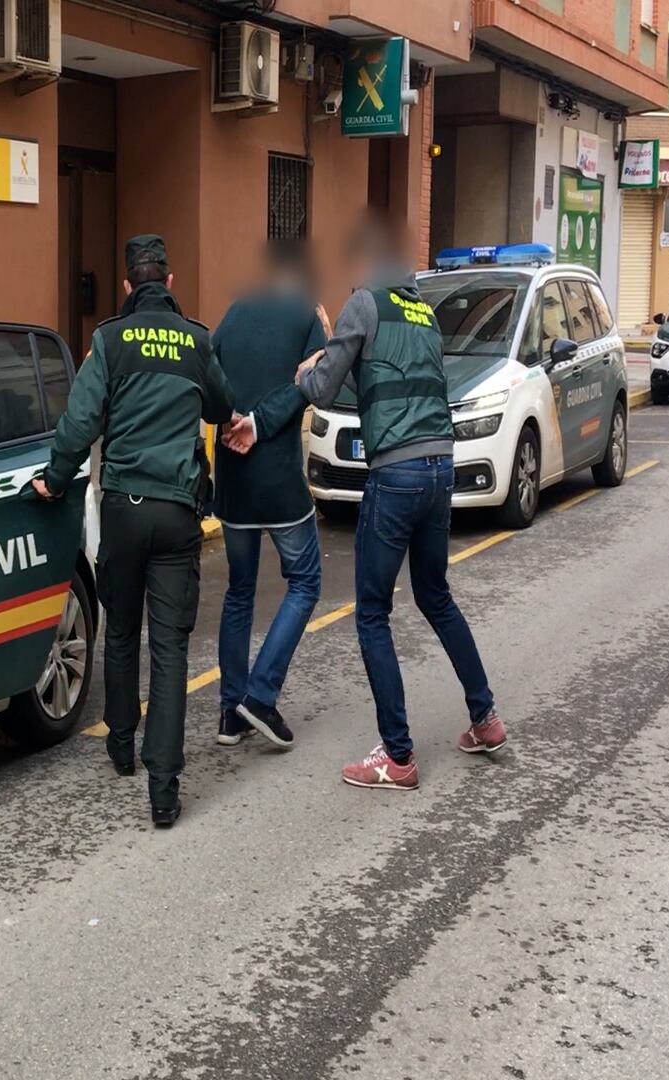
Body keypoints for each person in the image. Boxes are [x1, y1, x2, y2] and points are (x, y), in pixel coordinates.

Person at [292, 216, 505, 791]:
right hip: (441, 470)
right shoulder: (423, 313)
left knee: (371, 612)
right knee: (435, 595)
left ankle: (398, 755)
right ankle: (484, 717)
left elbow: (324, 389)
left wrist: (313, 362)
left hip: (397, 474)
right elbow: (387, 382)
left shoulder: (364, 304)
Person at [34, 234, 235, 827]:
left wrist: (54, 477)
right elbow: (221, 407)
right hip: (177, 514)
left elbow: (79, 421)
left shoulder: (109, 341)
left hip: (122, 508)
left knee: (121, 631)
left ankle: (121, 745)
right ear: (168, 282)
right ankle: (165, 790)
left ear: (127, 285)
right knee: (169, 649)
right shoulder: (196, 341)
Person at [211, 241, 326, 749]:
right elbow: (314, 385)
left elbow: (210, 381)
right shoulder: (307, 316)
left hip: (234, 480)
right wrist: (257, 422)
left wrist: (230, 419)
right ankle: (260, 694)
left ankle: (229, 715)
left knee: (239, 592)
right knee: (304, 581)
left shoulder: (233, 314)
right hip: (279, 483)